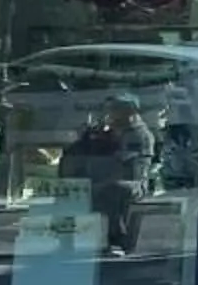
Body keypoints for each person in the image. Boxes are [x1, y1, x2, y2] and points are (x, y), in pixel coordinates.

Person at [63, 95, 157, 257]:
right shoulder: (113, 131)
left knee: (113, 190)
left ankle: (116, 240)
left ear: (128, 112)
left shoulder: (139, 135)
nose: (110, 114)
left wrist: (106, 141)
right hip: (103, 179)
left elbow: (125, 163)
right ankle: (69, 238)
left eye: (115, 110)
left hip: (134, 182)